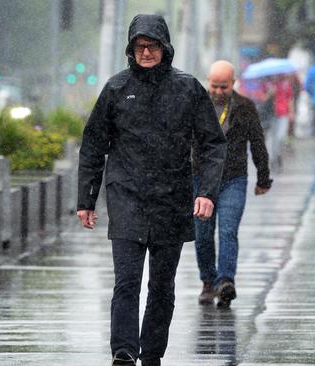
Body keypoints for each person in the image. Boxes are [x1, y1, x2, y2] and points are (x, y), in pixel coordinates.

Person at [76, 14, 227, 366]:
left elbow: (212, 144)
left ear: (164, 48)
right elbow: (93, 144)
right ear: (131, 49)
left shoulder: (187, 89)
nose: (146, 52)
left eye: (153, 45)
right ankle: (124, 350)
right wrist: (86, 199)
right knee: (126, 281)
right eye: (140, 46)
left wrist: (205, 191)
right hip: (126, 196)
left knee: (161, 286)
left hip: (171, 199)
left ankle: (152, 352)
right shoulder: (115, 90)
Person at [193, 60, 272, 308]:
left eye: (223, 87)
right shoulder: (196, 105)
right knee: (202, 234)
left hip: (233, 179)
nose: (218, 91)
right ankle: (208, 281)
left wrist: (263, 178)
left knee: (228, 230)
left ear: (234, 83)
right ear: (208, 81)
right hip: (201, 179)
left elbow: (258, 142)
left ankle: (226, 281)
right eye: (214, 86)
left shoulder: (245, 107)